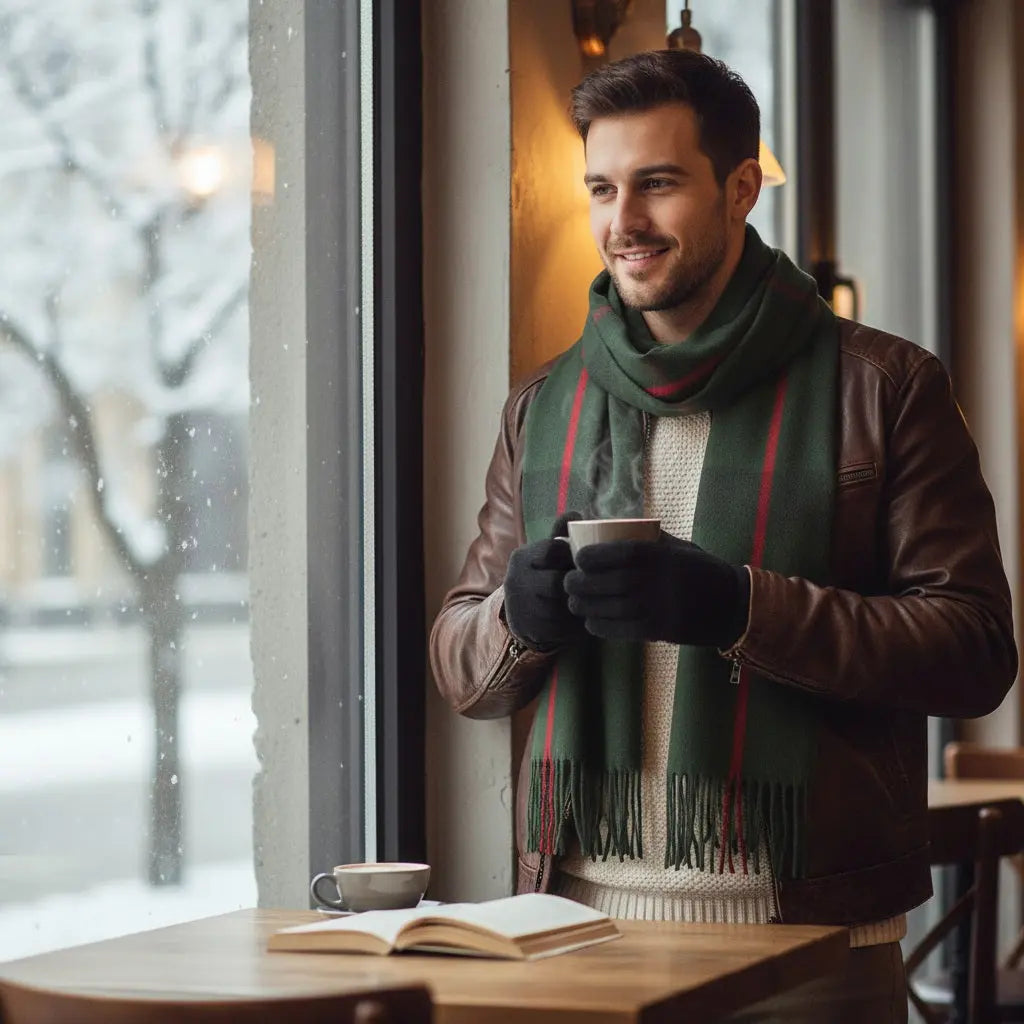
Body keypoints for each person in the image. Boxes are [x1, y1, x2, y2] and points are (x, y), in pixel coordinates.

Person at [429, 48, 1016, 1023]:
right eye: (602, 188)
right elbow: (460, 664)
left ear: (741, 187)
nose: (622, 221)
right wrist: (516, 618)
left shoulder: (884, 388)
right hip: (578, 937)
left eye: (657, 183)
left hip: (809, 947)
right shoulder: (543, 405)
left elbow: (973, 651)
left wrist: (738, 608)